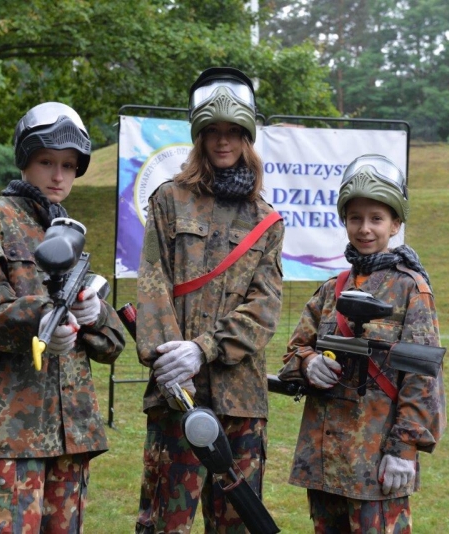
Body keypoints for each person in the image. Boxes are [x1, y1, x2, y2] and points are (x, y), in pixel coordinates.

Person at [0, 101, 125, 533]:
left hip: (69, 433)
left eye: (68, 165)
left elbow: (112, 344)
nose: (58, 175)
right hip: (9, 430)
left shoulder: (66, 229)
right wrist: (43, 320)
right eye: (47, 162)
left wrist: (94, 314)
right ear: (26, 160)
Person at [134, 67, 285, 533]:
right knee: (165, 522)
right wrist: (169, 361)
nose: (223, 141)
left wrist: (204, 348)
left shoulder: (266, 220)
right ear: (199, 136)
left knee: (235, 524)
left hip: (241, 401)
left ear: (247, 138)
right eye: (213, 131)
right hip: (178, 395)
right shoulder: (168, 200)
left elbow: (264, 308)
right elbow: (153, 285)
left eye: (233, 132)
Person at [277, 154, 446, 533]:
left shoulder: (411, 290)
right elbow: (293, 353)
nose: (365, 228)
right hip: (325, 456)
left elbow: (422, 378)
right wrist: (308, 364)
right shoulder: (331, 289)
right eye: (355, 218)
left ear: (395, 224)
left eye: (376, 218)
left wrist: (404, 450)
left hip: (376, 460)